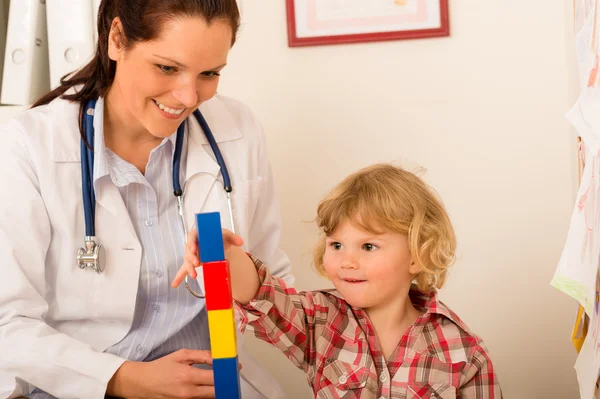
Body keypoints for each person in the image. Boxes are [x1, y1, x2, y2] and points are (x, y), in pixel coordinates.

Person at [0, 1, 293, 398]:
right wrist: (122, 378)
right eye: (167, 68)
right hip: (75, 385)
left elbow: (275, 289)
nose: (188, 96)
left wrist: (241, 271)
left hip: (211, 385)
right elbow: (7, 321)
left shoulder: (237, 131)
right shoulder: (28, 146)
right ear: (117, 39)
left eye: (209, 73)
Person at [175, 163, 503, 398]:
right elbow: (260, 294)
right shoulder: (321, 321)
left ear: (417, 255)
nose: (347, 260)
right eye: (336, 245)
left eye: (369, 246)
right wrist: (219, 250)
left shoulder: (461, 350)